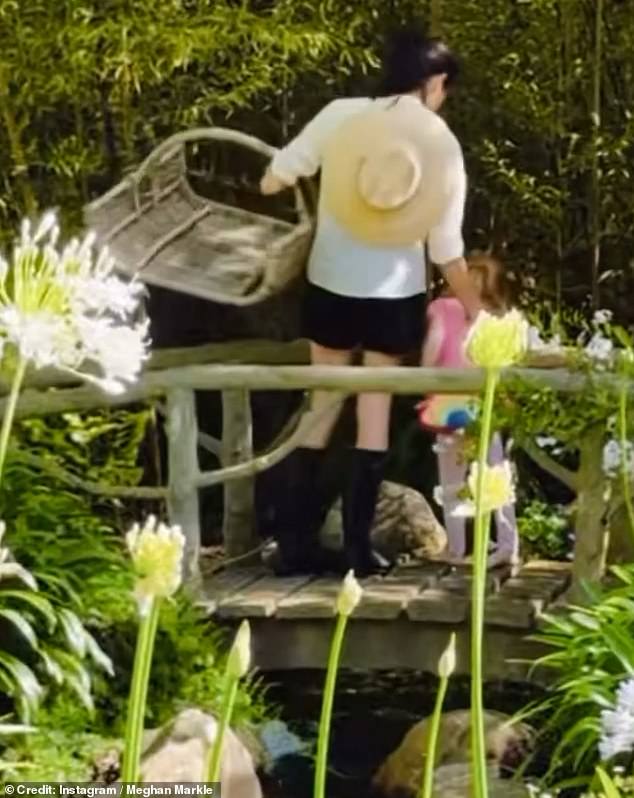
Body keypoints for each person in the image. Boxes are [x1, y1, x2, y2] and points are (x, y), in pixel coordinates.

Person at [260, 27, 482, 578]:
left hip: (331, 282)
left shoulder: (340, 114)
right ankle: (359, 549)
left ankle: (293, 543)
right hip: (394, 295)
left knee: (323, 405)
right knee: (374, 416)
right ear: (434, 83)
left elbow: (274, 178)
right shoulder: (441, 145)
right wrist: (479, 312)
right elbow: (447, 252)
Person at [420, 253, 519, 567]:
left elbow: (432, 349)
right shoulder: (498, 314)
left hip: (448, 402)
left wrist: (425, 383)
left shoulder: (441, 307)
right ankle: (507, 545)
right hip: (484, 402)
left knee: (452, 480)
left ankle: (457, 548)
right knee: (495, 472)